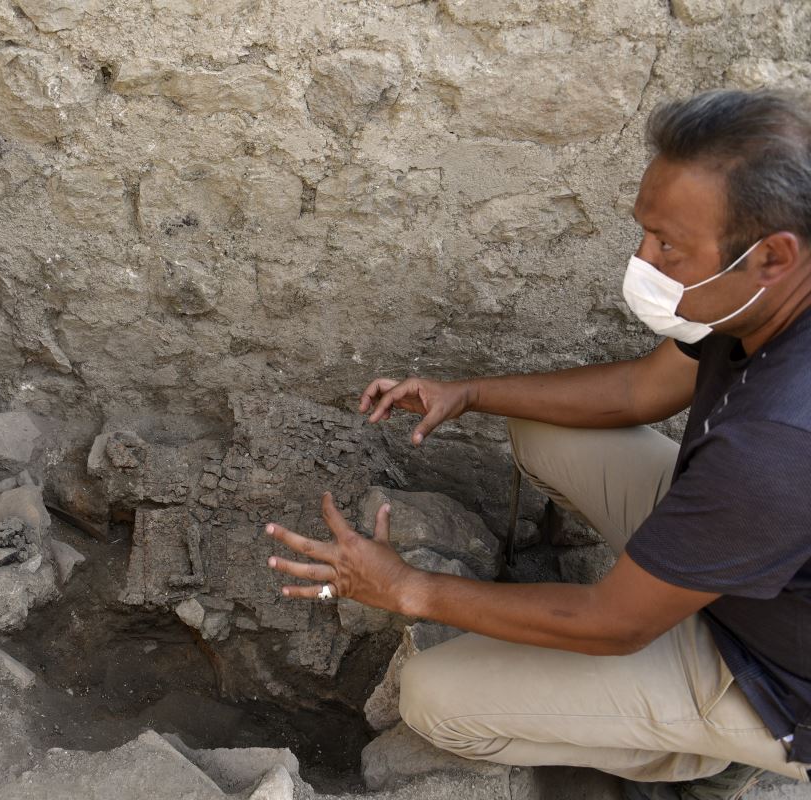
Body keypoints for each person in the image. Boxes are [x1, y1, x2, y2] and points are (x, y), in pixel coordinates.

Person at [266, 89, 811, 800]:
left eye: (667, 245)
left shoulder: (776, 446)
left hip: (774, 674)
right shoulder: (759, 297)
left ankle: (708, 757)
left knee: (432, 696)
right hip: (741, 558)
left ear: (771, 255)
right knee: (547, 428)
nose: (642, 259)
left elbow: (614, 624)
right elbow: (639, 392)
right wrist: (472, 392)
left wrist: (409, 587)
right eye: (644, 230)